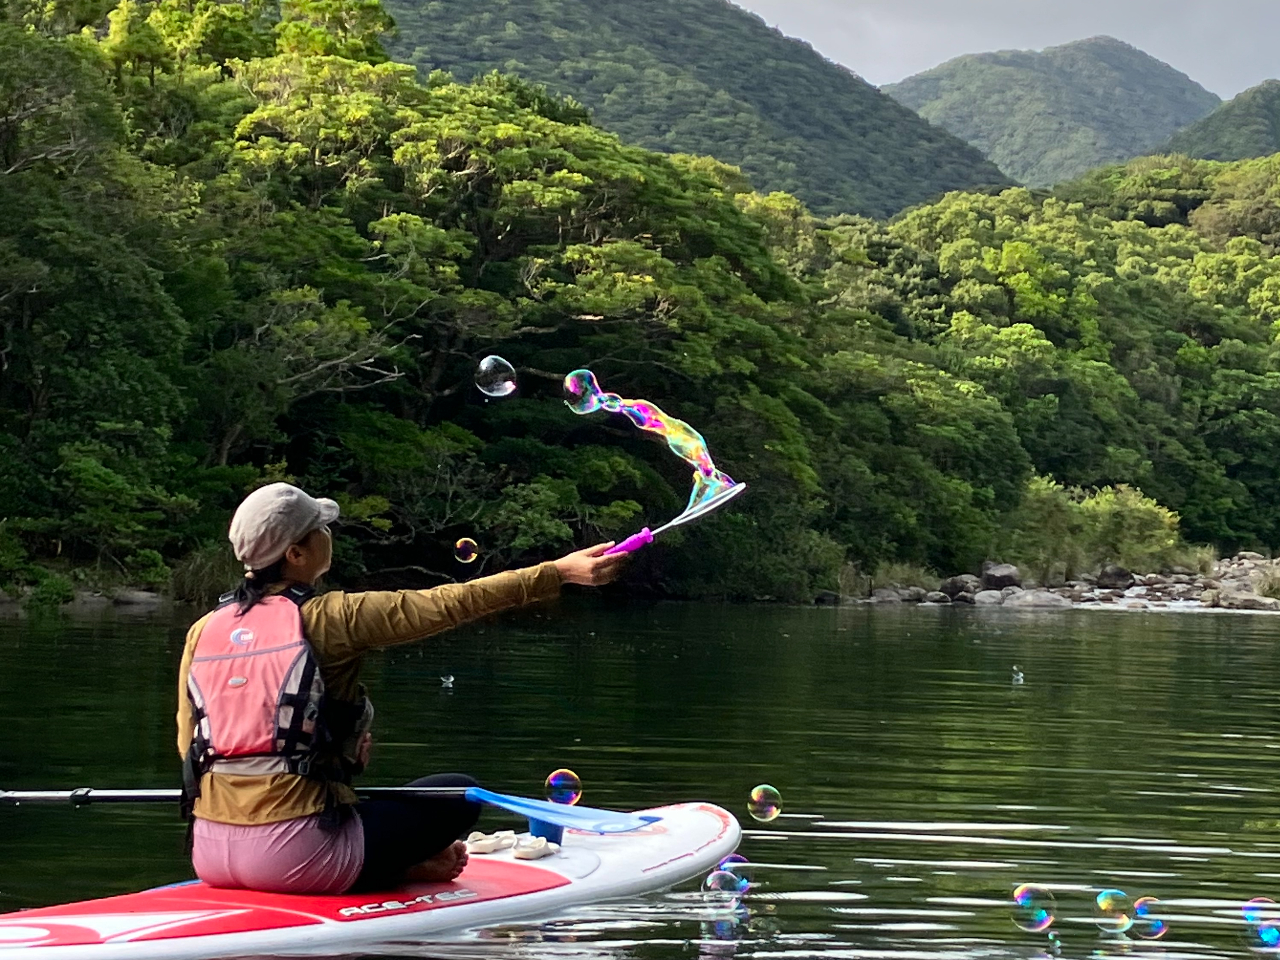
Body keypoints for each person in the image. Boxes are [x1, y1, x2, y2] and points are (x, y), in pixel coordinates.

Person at [175, 482, 624, 895]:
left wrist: (337, 752)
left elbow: (188, 744)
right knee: (454, 793)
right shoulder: (333, 617)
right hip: (295, 858)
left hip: (209, 852)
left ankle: (388, 863)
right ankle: (402, 869)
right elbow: (452, 603)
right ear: (296, 553)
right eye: (321, 530)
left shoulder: (203, 630)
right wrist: (558, 573)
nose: (329, 535)